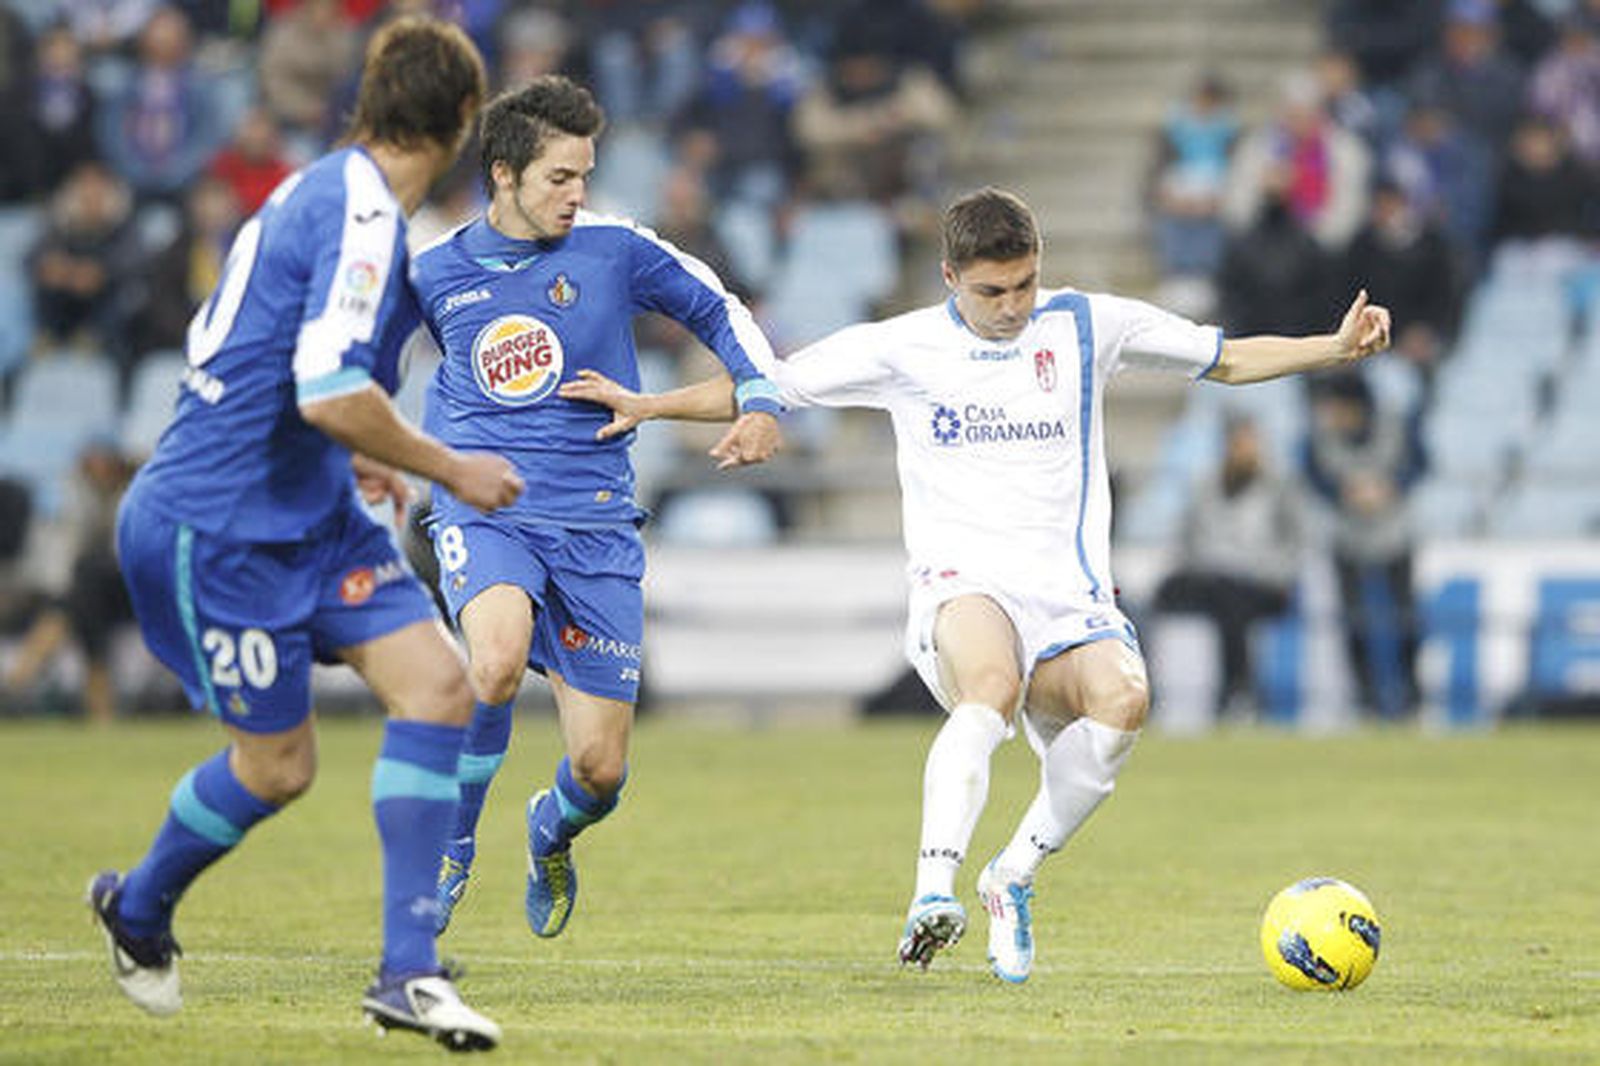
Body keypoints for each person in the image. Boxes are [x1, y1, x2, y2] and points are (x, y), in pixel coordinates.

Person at [561, 187, 1391, 983]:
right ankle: (933, 889)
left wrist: (1333, 345)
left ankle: (1012, 877)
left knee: (1126, 699)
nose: (1013, 304)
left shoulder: (1087, 325)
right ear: (951, 278)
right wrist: (650, 404)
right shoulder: (901, 347)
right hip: (962, 587)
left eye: (1026, 282)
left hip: (1068, 597)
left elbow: (1226, 358)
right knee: (990, 686)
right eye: (993, 290)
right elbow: (766, 381)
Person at [88, 17, 521, 1050]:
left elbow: (290, 368)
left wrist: (363, 448)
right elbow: (328, 390)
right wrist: (447, 464)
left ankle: (405, 973)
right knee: (278, 767)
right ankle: (138, 908)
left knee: (441, 686)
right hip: (218, 522)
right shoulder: (363, 215)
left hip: (310, 506)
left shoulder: (324, 185)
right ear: (463, 120)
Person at [409, 75, 783, 943]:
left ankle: (550, 828)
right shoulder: (434, 271)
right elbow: (351, 363)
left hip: (596, 523)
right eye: (559, 179)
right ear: (503, 175)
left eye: (585, 175)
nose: (578, 195)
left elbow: (718, 309)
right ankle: (450, 845)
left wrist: (758, 394)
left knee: (601, 769)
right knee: (493, 662)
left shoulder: (616, 250)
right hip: (488, 504)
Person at [1151, 417, 1305, 722]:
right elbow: (1186, 537)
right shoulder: (1205, 486)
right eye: (1239, 444)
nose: (1245, 451)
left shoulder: (1279, 488)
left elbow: (1296, 542)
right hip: (1210, 576)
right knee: (1158, 594)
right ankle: (1145, 684)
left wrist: (1276, 572)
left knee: (1231, 602)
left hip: (1262, 582)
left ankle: (1235, 692)